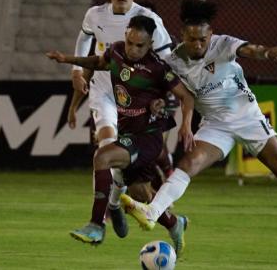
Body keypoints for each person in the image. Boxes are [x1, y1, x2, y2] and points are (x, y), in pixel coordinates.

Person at [121, 0, 277, 240]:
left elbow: (249, 49)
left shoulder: (223, 44)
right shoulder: (174, 62)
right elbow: (174, 93)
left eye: (202, 39)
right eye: (192, 39)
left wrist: (265, 53)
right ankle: (152, 212)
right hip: (216, 126)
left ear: (211, 35)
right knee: (188, 164)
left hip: (248, 119)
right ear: (183, 34)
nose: (197, 44)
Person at [46, 16, 195, 252]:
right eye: (130, 43)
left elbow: (186, 96)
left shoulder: (158, 68)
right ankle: (175, 224)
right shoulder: (116, 52)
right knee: (140, 193)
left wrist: (185, 123)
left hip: (148, 138)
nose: (133, 49)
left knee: (102, 157)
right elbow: (98, 61)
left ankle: (96, 224)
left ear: (150, 44)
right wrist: (68, 60)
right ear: (125, 36)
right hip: (129, 133)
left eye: (140, 45)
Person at [67, 0, 176, 243]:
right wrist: (76, 72)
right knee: (105, 150)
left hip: (140, 100)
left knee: (141, 170)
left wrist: (165, 95)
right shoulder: (94, 15)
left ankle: (118, 204)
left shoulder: (149, 20)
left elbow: (168, 59)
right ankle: (99, 219)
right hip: (104, 93)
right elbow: (85, 40)